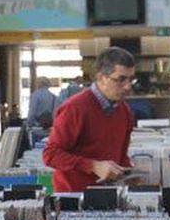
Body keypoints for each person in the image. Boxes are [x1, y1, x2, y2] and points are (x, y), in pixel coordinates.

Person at [42, 47, 136, 192]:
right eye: (121, 79)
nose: (128, 86)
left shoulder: (124, 111)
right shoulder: (75, 108)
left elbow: (121, 156)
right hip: (74, 197)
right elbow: (51, 154)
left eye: (131, 79)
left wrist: (131, 175)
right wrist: (93, 166)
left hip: (109, 194)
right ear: (101, 78)